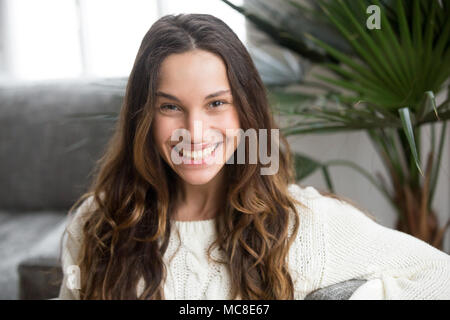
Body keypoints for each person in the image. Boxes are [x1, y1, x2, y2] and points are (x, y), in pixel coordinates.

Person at [58, 13, 450, 300]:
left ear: (246, 112)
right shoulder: (97, 224)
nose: (194, 133)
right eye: (170, 107)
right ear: (143, 118)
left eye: (216, 103)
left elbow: (439, 276)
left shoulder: (305, 224)